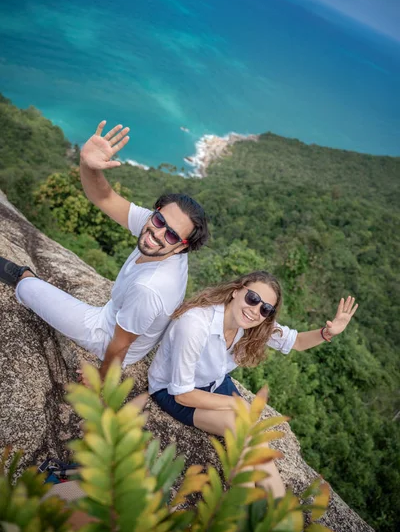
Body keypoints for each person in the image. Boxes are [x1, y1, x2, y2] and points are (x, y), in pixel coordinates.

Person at [0, 121, 209, 379]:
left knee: (28, 285)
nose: (158, 233)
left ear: (181, 247)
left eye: (171, 234)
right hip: (114, 312)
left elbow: (121, 344)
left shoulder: (150, 289)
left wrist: (101, 380)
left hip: (103, 334)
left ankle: (23, 276)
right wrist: (88, 164)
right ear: (155, 212)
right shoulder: (157, 229)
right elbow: (104, 197)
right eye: (158, 220)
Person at [148, 270, 358, 497]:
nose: (256, 310)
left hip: (214, 384)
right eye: (253, 298)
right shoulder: (195, 325)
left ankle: (278, 513)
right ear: (236, 291)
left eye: (266, 309)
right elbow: (183, 395)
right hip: (172, 390)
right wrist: (239, 406)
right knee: (240, 424)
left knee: (254, 433)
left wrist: (327, 333)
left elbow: (296, 341)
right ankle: (243, 507)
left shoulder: (253, 324)